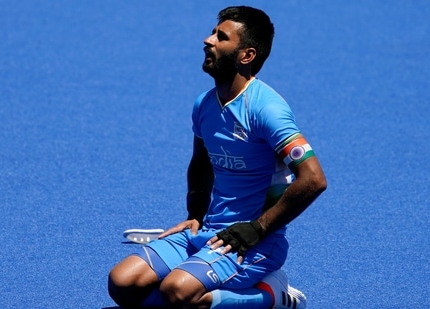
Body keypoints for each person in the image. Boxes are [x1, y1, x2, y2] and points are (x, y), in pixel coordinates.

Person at [108, 5, 327, 309]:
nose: (207, 40)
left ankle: (276, 296)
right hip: (209, 232)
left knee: (178, 292)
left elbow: (314, 179)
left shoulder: (268, 110)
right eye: (213, 32)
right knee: (122, 284)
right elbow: (201, 161)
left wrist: (258, 229)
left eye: (220, 37)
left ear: (246, 55)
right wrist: (195, 213)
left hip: (255, 243)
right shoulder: (204, 105)